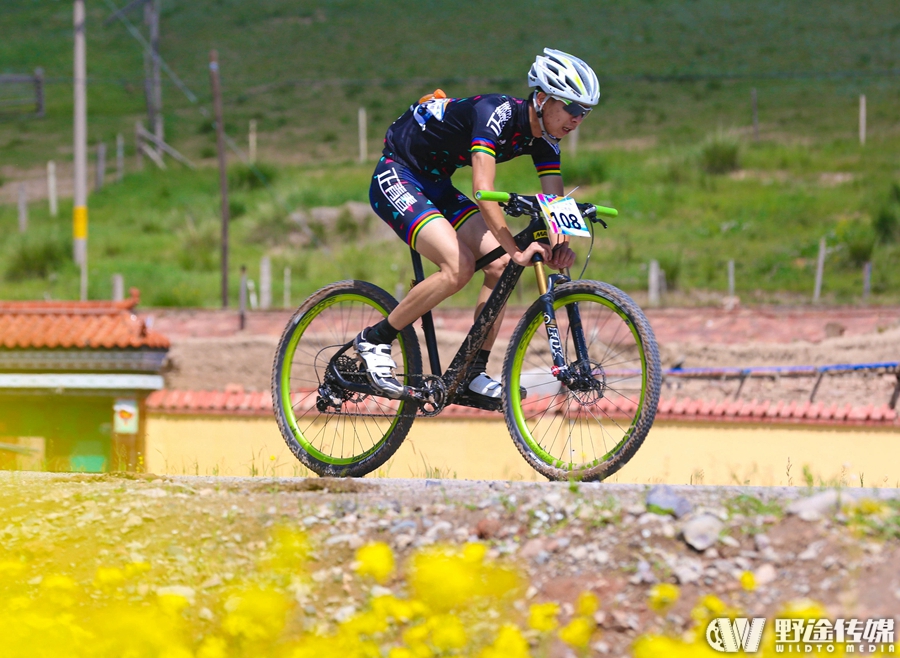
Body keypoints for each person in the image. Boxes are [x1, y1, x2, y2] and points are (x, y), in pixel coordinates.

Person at [356, 48, 600, 400]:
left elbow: (555, 203)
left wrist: (558, 246)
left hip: (437, 183)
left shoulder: (548, 140)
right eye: (573, 108)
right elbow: (484, 189)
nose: (578, 119)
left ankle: (471, 372)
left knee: (500, 266)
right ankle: (374, 340)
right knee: (459, 266)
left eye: (585, 112)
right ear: (544, 98)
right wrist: (517, 249)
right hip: (398, 172)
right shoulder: (495, 113)